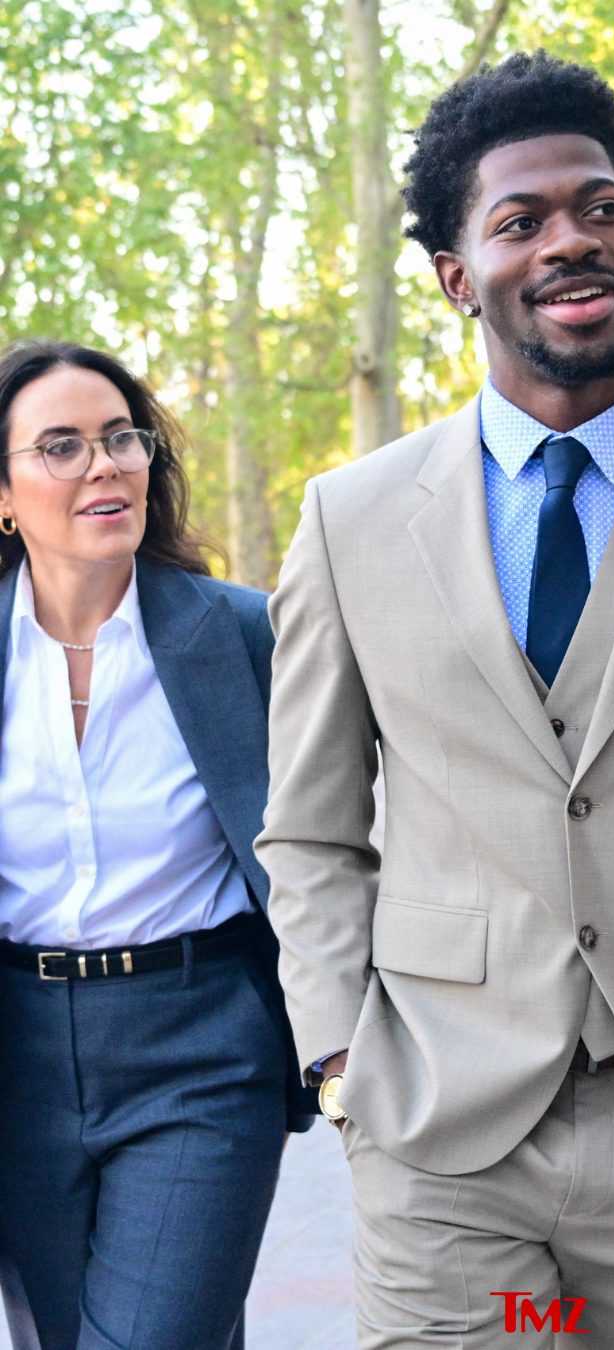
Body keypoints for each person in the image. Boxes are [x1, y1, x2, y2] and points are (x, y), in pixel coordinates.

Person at [258, 52, 614, 1350]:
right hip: (439, 1121)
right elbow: (307, 827)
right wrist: (339, 1062)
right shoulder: (348, 521)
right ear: (457, 275)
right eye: (520, 220)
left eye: (600, 206)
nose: (570, 240)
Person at [0, 339, 314, 1350]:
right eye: (60, 446)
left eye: (121, 438)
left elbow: (334, 842)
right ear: (4, 494)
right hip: (16, 1054)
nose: (104, 465)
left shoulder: (245, 637)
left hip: (201, 1049)